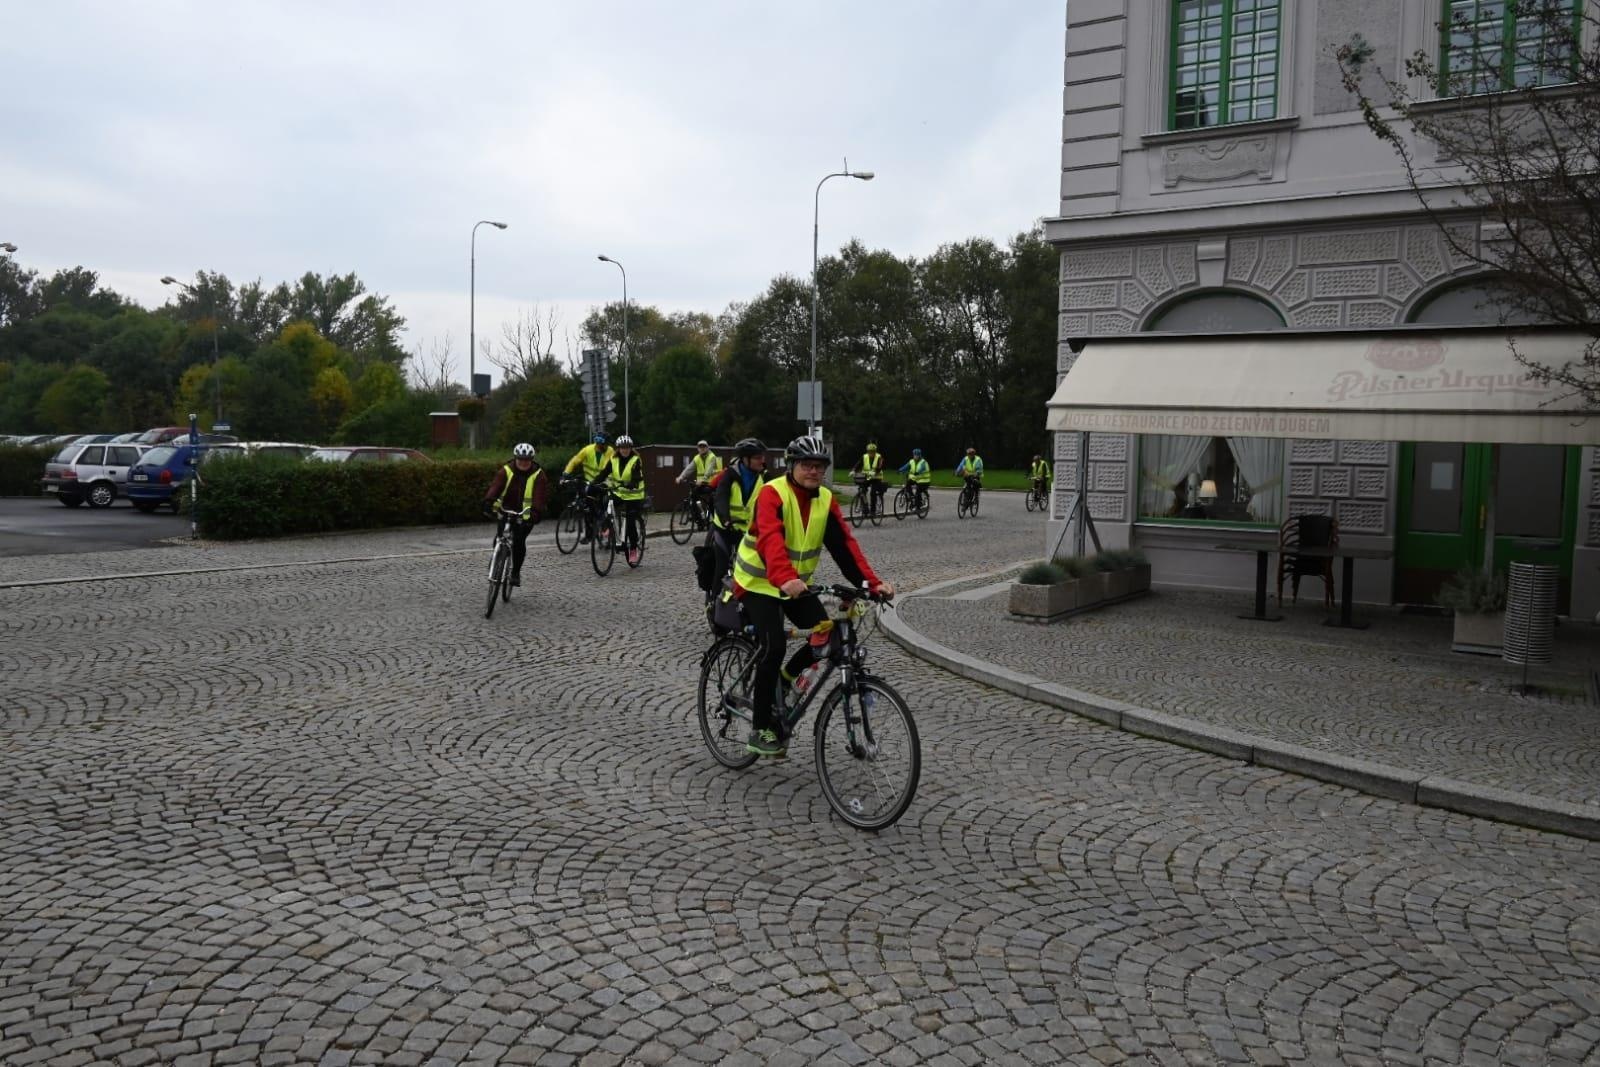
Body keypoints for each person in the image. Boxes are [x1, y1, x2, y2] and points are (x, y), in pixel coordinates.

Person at [732, 435, 894, 758]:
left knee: (826, 633)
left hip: (794, 586)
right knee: (773, 645)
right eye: (807, 465)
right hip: (757, 582)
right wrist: (784, 578)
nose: (814, 472)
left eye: (820, 467)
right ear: (792, 466)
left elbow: (845, 548)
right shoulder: (772, 493)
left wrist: (871, 584)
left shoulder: (824, 501)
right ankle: (759, 728)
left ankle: (785, 682)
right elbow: (771, 540)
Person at [481, 442, 550, 587]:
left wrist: (535, 512)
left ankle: (515, 572)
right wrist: (488, 501)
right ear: (515, 459)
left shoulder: (539, 475)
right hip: (506, 509)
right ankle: (496, 558)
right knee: (500, 537)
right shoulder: (506, 470)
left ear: (531, 460)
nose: (523, 463)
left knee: (519, 542)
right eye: (520, 460)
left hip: (526, 515)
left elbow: (539, 496)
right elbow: (496, 487)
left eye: (526, 460)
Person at [709, 437, 766, 585]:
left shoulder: (763, 477)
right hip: (725, 528)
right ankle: (712, 603)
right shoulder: (729, 475)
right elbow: (721, 498)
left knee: (752, 569)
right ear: (745, 459)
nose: (762, 461)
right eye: (757, 458)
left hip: (747, 531)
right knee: (721, 568)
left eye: (762, 457)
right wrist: (725, 519)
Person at [603, 434, 646, 566]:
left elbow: (636, 476)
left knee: (631, 522)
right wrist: (593, 483)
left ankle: (633, 549)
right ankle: (609, 526)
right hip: (621, 493)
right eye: (622, 448)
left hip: (634, 496)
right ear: (618, 449)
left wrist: (632, 483)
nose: (624, 450)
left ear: (630, 448)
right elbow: (604, 473)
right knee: (606, 501)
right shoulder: (614, 459)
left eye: (627, 447)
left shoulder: (635, 460)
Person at [563, 433, 614, 540]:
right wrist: (566, 473)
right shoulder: (587, 450)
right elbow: (575, 460)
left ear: (606, 444)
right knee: (587, 507)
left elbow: (611, 469)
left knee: (602, 505)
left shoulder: (611, 452)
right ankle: (589, 534)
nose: (599, 447)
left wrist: (607, 482)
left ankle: (605, 525)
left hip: (604, 482)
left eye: (602, 445)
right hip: (589, 482)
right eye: (598, 444)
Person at [675, 439, 723, 516]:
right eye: (700, 447)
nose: (702, 448)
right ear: (698, 449)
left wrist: (703, 480)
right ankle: (699, 516)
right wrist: (681, 477)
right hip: (701, 483)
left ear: (707, 448)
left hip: (713, 483)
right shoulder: (697, 458)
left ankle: (714, 518)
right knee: (693, 495)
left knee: (711, 500)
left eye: (704, 447)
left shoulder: (712, 457)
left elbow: (709, 471)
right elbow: (689, 469)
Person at [850, 442, 887, 517]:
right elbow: (859, 464)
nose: (871, 453)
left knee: (873, 492)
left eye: (872, 451)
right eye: (869, 451)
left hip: (877, 477)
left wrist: (876, 471)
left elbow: (880, 466)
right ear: (867, 451)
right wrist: (853, 470)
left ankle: (873, 511)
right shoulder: (865, 456)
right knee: (862, 490)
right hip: (867, 477)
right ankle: (865, 508)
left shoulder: (879, 457)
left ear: (875, 451)